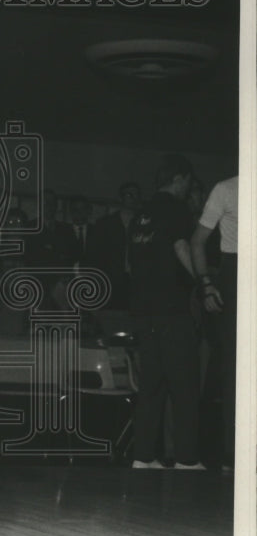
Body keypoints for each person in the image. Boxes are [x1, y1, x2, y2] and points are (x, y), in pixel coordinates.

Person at [128, 154, 204, 470]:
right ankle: (187, 460)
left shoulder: (139, 215)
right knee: (184, 384)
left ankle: (143, 457)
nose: (189, 188)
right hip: (173, 308)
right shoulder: (177, 209)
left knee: (151, 386)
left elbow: (128, 264)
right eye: (188, 182)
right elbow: (182, 247)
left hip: (143, 311)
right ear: (180, 179)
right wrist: (204, 282)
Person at [191, 174, 238, 471]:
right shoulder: (226, 188)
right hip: (236, 274)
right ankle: (232, 457)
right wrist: (206, 284)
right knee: (234, 370)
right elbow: (196, 242)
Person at [86, 181, 142, 310]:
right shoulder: (105, 224)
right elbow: (94, 256)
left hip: (136, 282)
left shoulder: (144, 223)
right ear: (120, 198)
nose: (134, 199)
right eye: (129, 195)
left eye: (137, 195)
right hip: (111, 282)